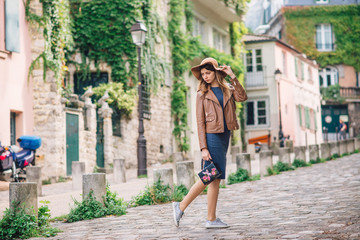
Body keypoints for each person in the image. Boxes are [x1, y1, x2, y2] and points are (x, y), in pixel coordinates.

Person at [172, 57, 247, 228]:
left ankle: (211, 219)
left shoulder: (228, 88)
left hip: (224, 135)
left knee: (215, 178)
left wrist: (232, 76)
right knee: (210, 174)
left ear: (216, 71)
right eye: (203, 74)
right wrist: (203, 147)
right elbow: (199, 122)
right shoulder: (201, 94)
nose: (205, 76)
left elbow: (242, 97)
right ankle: (181, 206)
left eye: (208, 72)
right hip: (211, 137)